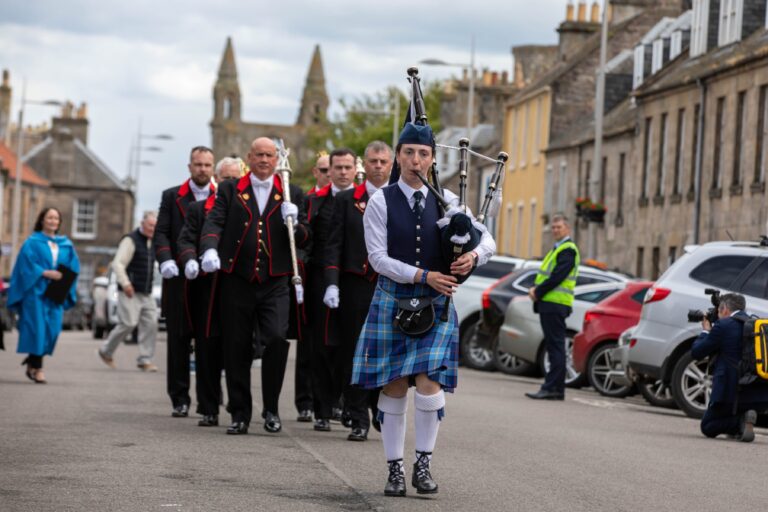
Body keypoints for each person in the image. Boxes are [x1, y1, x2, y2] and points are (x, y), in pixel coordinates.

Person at [352, 123, 495, 496]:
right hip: (393, 299)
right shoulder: (381, 201)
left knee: (429, 385)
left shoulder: (448, 199)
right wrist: (424, 275)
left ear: (432, 160)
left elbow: (488, 238)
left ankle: (423, 464)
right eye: (409, 153)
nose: (416, 160)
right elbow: (378, 258)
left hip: (436, 304)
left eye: (424, 154)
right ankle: (394, 469)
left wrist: (473, 257)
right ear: (398, 157)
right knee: (396, 384)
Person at [200, 137, 310, 435]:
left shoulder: (291, 192)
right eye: (259, 155)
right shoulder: (230, 189)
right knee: (235, 346)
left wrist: (296, 223)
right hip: (237, 279)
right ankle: (240, 413)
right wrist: (210, 248)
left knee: (276, 338)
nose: (264, 160)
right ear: (250, 157)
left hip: (275, 280)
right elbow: (215, 221)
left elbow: (303, 240)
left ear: (277, 160)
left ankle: (271, 408)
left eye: (269, 155)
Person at [324, 140, 393, 442]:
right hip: (354, 283)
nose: (378, 166)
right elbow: (333, 243)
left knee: (384, 349)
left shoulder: (399, 199)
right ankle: (356, 415)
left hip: (389, 283)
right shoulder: (347, 199)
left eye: (383, 161)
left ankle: (378, 405)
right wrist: (331, 282)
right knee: (354, 350)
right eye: (373, 161)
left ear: (391, 164)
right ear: (364, 165)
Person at [177, 157, 244, 427]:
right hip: (208, 288)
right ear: (218, 178)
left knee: (237, 349)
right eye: (225, 178)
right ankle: (208, 406)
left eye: (234, 178)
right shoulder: (198, 208)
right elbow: (186, 238)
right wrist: (191, 258)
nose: (230, 183)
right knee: (207, 348)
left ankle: (239, 406)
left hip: (238, 287)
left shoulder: (248, 207)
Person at [154, 146, 216, 417]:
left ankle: (207, 401)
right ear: (189, 167)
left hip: (209, 281)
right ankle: (179, 398)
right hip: (178, 278)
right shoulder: (171, 196)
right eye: (198, 164)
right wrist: (166, 259)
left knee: (207, 342)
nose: (202, 169)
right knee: (178, 340)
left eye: (207, 165)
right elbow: (162, 233)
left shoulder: (222, 195)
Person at [305, 147, 356, 432]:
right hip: (320, 283)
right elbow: (305, 239)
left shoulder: (366, 200)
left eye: (348, 167)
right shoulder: (315, 201)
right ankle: (321, 407)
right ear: (330, 170)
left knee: (348, 348)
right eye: (338, 168)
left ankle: (347, 404)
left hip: (351, 281)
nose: (343, 173)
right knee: (321, 347)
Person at [9, 207, 80, 383]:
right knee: (37, 329)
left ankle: (32, 360)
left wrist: (65, 276)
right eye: (49, 217)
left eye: (56, 218)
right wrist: (44, 272)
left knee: (53, 329)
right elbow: (25, 265)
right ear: (42, 220)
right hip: (36, 290)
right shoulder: (32, 242)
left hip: (56, 291)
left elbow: (74, 266)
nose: (53, 221)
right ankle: (38, 367)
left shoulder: (66, 244)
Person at [692, 293, 768, 442]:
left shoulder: (723, 326)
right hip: (759, 393)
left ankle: (740, 421)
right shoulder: (757, 325)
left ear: (725, 309)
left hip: (729, 394)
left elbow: (697, 352)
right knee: (734, 409)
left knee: (708, 426)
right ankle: (743, 421)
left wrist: (706, 331)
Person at [525, 213, 579, 401]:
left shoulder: (568, 249)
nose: (555, 230)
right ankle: (555, 389)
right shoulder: (558, 249)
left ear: (567, 229)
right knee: (554, 346)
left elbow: (558, 276)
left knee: (555, 347)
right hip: (551, 304)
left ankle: (552, 388)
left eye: (559, 227)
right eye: (554, 227)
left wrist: (537, 292)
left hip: (555, 303)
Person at [97, 211, 159, 372]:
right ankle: (106, 350)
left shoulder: (154, 242)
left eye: (155, 226)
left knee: (151, 323)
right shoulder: (130, 240)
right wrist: (125, 284)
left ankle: (145, 359)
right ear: (142, 223)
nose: (153, 228)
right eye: (151, 225)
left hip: (146, 292)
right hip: (129, 290)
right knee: (128, 323)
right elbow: (118, 264)